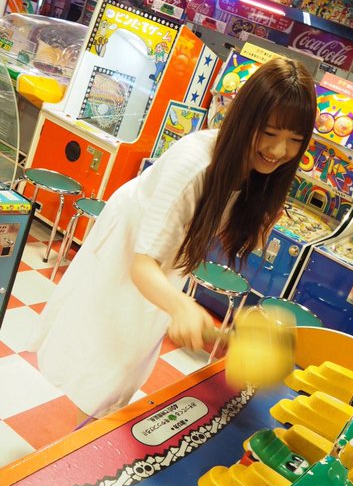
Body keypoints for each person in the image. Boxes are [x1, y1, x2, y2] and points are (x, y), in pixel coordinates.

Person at [32, 58, 317, 424]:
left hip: (164, 258)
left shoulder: (258, 171)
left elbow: (221, 226)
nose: (279, 151)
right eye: (270, 133)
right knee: (106, 353)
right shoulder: (193, 165)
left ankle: (95, 422)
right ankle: (81, 439)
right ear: (246, 118)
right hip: (132, 250)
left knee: (128, 357)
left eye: (294, 140)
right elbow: (141, 265)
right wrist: (181, 306)